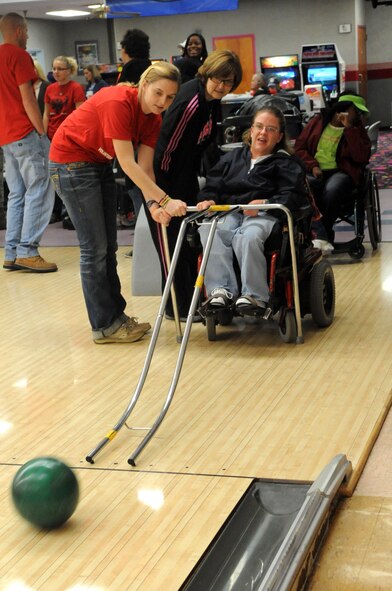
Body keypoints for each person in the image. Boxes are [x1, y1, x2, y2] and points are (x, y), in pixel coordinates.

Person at [48, 62, 187, 344]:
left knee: (108, 246)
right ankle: (103, 326)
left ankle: (116, 318)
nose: (163, 102)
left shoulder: (153, 119)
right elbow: (126, 163)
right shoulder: (118, 102)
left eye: (170, 97)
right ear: (144, 85)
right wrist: (165, 199)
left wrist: (153, 206)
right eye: (158, 93)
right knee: (94, 249)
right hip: (70, 163)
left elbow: (145, 169)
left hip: (97, 163)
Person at [153, 49, 243, 321]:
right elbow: (166, 149)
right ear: (208, 73)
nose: (222, 86)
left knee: (188, 241)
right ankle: (176, 308)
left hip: (185, 176)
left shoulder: (211, 100)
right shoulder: (191, 100)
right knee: (171, 245)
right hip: (164, 180)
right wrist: (162, 196)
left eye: (228, 82)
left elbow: (204, 146)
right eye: (218, 78)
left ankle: (190, 303)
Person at [196, 106, 309, 315]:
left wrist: (265, 202)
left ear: (279, 136)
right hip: (230, 212)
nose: (263, 133)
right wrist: (207, 199)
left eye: (271, 129)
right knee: (208, 229)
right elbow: (212, 186)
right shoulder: (232, 158)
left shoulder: (285, 163)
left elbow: (292, 196)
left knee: (247, 236)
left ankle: (255, 297)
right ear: (251, 129)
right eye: (259, 126)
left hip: (265, 214)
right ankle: (221, 291)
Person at [0, 13, 56, 272]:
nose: (28, 36)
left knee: (17, 194)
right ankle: (28, 251)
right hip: (24, 132)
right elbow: (28, 98)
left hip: (6, 137)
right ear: (20, 30)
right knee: (40, 188)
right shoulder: (19, 56)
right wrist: (41, 129)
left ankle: (11, 252)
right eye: (27, 31)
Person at [295, 92, 371, 251]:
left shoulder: (357, 129)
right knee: (302, 187)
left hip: (342, 172)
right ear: (341, 110)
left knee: (332, 190)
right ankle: (319, 234)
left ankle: (323, 234)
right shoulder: (318, 122)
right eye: (355, 111)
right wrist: (313, 165)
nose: (358, 115)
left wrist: (349, 130)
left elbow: (361, 157)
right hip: (315, 170)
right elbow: (300, 147)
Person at [44, 55, 85, 226]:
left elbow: (80, 115)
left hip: (68, 138)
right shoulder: (49, 89)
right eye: (54, 68)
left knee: (69, 176)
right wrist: (43, 134)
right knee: (54, 176)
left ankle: (70, 213)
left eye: (60, 69)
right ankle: (56, 211)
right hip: (52, 137)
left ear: (69, 71)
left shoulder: (75, 88)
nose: (56, 72)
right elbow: (46, 114)